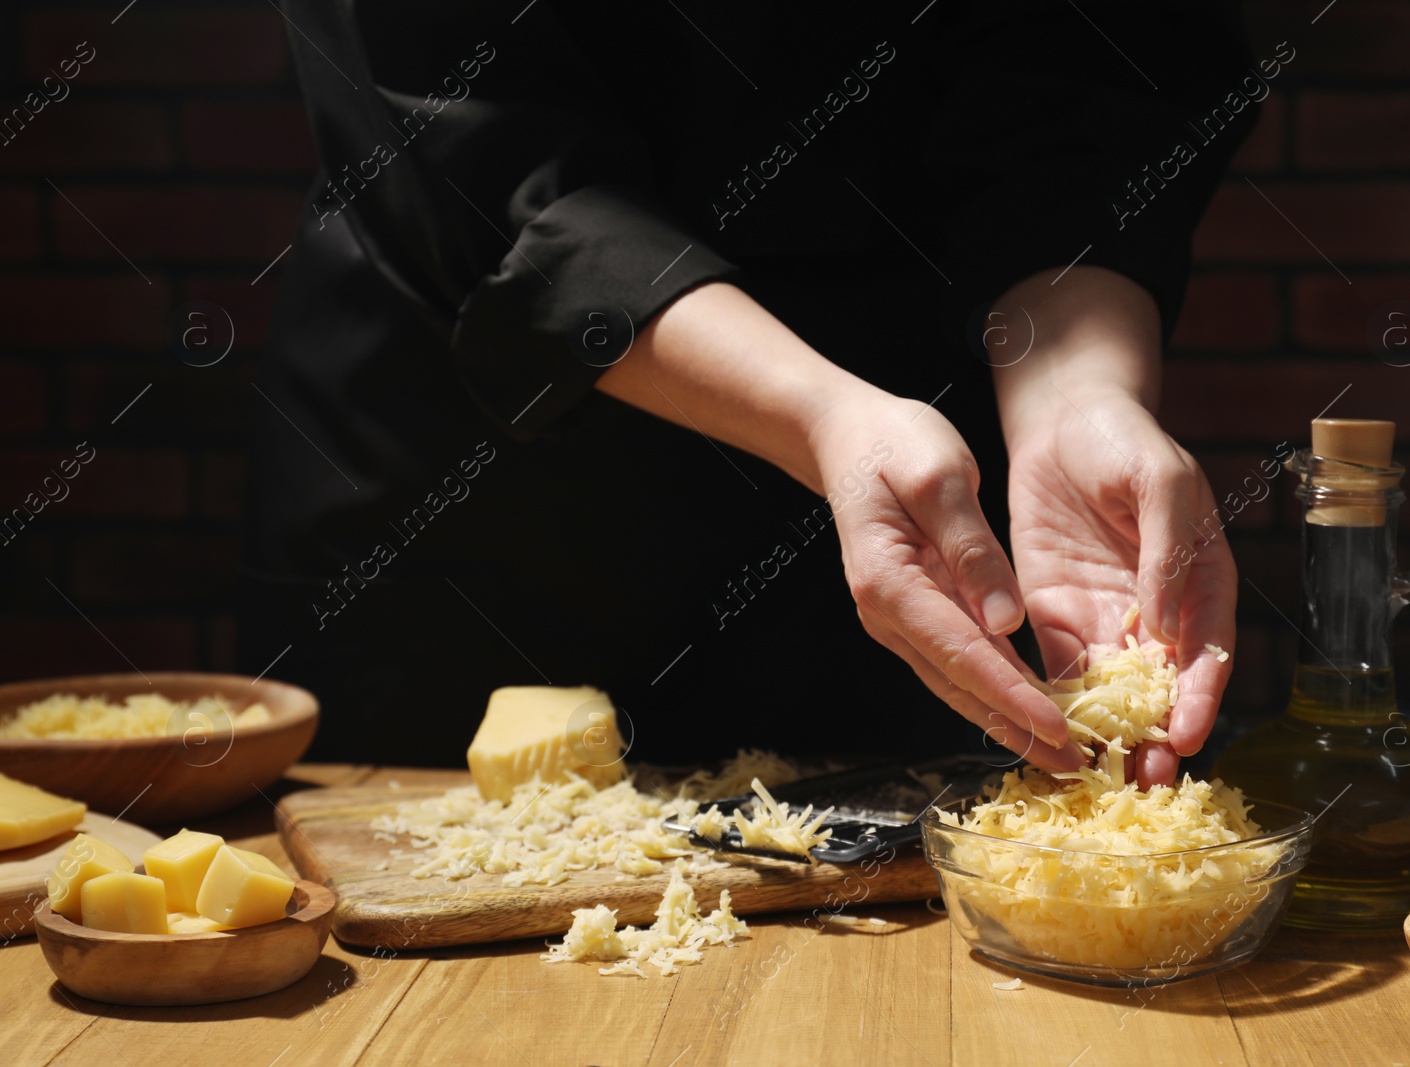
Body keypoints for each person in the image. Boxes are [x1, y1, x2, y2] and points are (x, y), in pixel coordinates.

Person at [240, 0, 1256, 786]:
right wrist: (817, 413)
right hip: (486, 485)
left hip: (918, 489)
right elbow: (472, 141)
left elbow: (1091, 82)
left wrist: (1075, 395)